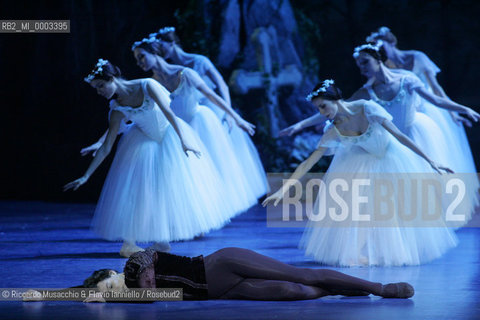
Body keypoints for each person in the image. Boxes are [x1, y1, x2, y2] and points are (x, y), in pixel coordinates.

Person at [263, 79, 459, 266]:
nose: (321, 112)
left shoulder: (367, 108)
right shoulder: (333, 129)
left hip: (390, 156)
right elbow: (308, 162)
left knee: (394, 207)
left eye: (323, 106)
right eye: (318, 109)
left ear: (336, 100)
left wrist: (430, 160)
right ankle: (357, 252)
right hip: (361, 161)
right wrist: (284, 189)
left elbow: (398, 135)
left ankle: (395, 250)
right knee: (361, 207)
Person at [64, 59, 238, 257]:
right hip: (143, 141)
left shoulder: (147, 85)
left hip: (168, 136)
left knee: (166, 189)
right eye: (96, 88)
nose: (99, 91)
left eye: (101, 86)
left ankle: (162, 242)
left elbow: (170, 113)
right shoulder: (116, 109)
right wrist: (86, 176)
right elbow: (106, 147)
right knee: (138, 189)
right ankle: (129, 242)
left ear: (112, 79)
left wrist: (184, 139)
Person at [131, 36, 259, 215]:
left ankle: (214, 211)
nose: (139, 63)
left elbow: (212, 95)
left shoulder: (185, 73)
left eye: (142, 56)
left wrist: (236, 118)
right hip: (179, 130)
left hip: (200, 123)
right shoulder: (153, 83)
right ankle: (195, 215)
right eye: (137, 60)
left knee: (209, 170)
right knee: (185, 176)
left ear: (154, 52)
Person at [151, 26, 270, 199]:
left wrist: (228, 114)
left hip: (210, 110)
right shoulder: (168, 70)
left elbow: (221, 85)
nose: (161, 52)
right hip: (186, 112)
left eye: (163, 47)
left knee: (218, 153)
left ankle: (225, 195)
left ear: (172, 43)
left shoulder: (199, 61)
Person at [366, 26, 478, 194]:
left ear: (391, 42)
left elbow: (435, 88)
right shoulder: (385, 67)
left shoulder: (416, 57)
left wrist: (454, 113)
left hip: (428, 108)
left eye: (380, 46)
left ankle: (444, 191)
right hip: (405, 110)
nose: (379, 50)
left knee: (436, 148)